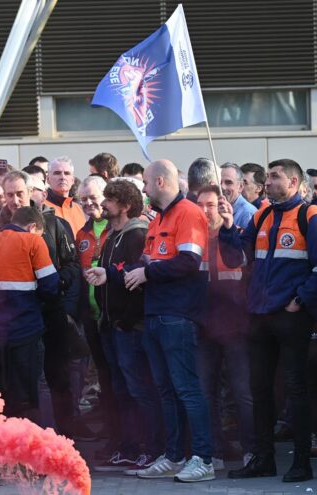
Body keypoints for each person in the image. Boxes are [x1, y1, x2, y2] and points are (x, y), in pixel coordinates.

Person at [0, 159, 89, 438]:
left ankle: (64, 437)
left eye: (19, 193)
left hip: (53, 315)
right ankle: (34, 442)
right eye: (8, 195)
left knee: (57, 379)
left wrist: (64, 304)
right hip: (21, 322)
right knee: (23, 385)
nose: (14, 200)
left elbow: (72, 266)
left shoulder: (55, 224)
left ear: (33, 191)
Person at [220, 159, 316, 482]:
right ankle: (263, 459)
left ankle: (301, 462)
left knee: (295, 390)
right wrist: (228, 226)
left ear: (292, 183)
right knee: (259, 389)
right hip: (259, 315)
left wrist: (299, 300)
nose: (268, 181)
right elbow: (238, 258)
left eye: (275, 177)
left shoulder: (309, 216)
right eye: (269, 175)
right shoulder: (261, 215)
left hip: (290, 317)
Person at [127, 159, 215, 483]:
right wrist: (110, 273)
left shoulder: (189, 213)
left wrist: (147, 272)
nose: (144, 190)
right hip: (156, 314)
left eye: (147, 184)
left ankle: (204, 459)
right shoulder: (157, 218)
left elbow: (189, 262)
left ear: (161, 182)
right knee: (166, 391)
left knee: (187, 390)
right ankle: (174, 455)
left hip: (178, 315)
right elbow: (146, 262)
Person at [84, 179, 161, 474]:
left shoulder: (136, 234)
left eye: (110, 198)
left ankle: (151, 449)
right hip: (112, 327)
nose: (103, 203)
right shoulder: (113, 235)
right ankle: (129, 447)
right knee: (121, 391)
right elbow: (112, 277)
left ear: (126, 205)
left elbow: (136, 281)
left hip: (128, 329)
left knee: (139, 390)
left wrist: (127, 322)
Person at [0, 206, 59, 420]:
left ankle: (6, 445)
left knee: (3, 395)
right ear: (33, 227)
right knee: (35, 391)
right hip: (27, 330)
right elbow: (51, 287)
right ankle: (45, 443)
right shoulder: (33, 241)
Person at [193, 185, 255, 472]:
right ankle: (215, 451)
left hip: (236, 327)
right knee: (206, 393)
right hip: (205, 327)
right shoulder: (194, 239)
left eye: (212, 204)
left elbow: (244, 266)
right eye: (201, 205)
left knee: (243, 392)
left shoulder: (238, 234)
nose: (207, 210)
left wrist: (229, 228)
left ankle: (252, 450)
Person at [74, 176, 115, 443]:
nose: (89, 203)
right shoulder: (81, 234)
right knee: (104, 379)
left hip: (115, 317)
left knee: (120, 378)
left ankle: (128, 437)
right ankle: (113, 437)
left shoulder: (117, 228)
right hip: (92, 317)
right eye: (84, 199)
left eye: (94, 197)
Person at [45, 156, 86, 235]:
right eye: (57, 173)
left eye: (67, 173)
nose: (63, 177)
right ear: (48, 179)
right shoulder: (42, 208)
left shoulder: (79, 209)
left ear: (73, 180)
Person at [220, 162, 257, 228]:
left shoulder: (248, 213)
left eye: (228, 182)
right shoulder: (213, 209)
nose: (222, 187)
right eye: (219, 182)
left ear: (240, 187)